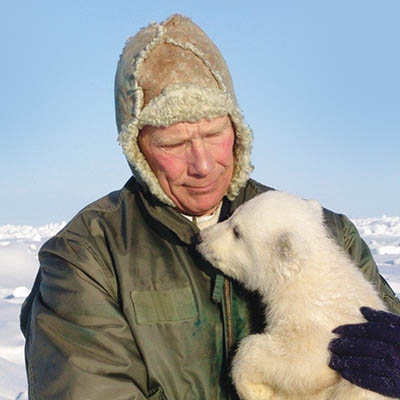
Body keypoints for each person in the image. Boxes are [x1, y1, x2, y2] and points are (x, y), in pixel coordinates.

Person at [20, 14, 400, 400]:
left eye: (214, 133)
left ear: (237, 131)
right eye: (172, 143)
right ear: (137, 151)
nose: (202, 165)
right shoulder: (87, 258)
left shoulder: (322, 233)